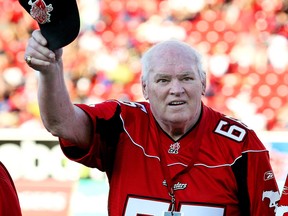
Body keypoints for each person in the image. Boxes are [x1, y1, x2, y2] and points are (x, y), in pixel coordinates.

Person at [24, 29, 280, 216]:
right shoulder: (122, 123)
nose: (176, 89)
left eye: (187, 78)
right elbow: (61, 124)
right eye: (163, 80)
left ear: (203, 82)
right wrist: (50, 71)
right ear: (145, 88)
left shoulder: (242, 145)